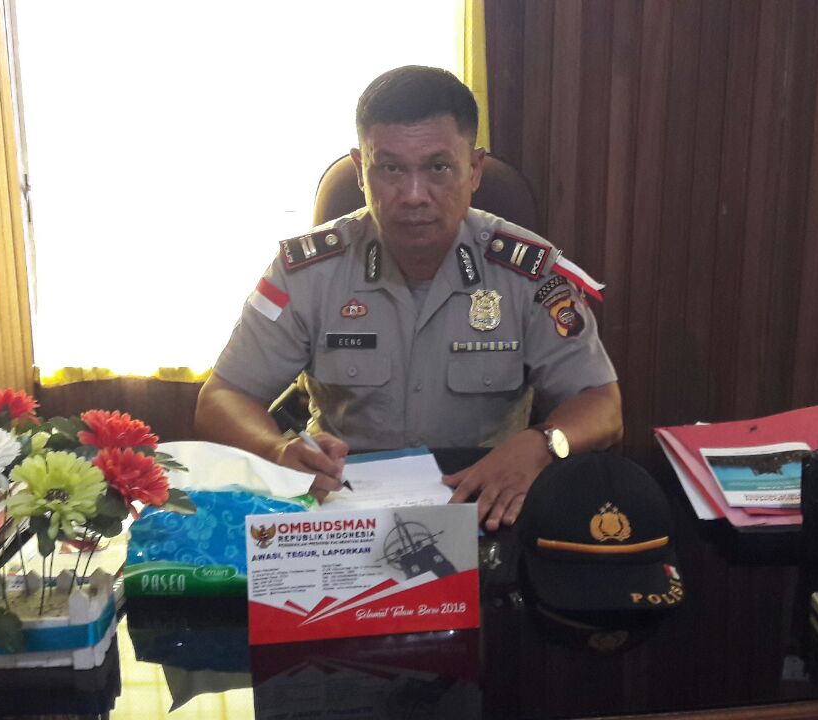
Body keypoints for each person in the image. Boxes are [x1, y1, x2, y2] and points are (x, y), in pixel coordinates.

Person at [195, 66, 622, 531]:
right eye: (391, 168)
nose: (414, 195)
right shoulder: (306, 273)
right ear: (360, 171)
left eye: (438, 168)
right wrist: (277, 451)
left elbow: (602, 404)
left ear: (474, 169)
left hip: (483, 504)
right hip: (341, 512)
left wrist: (542, 444)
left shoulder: (527, 272)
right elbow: (222, 397)